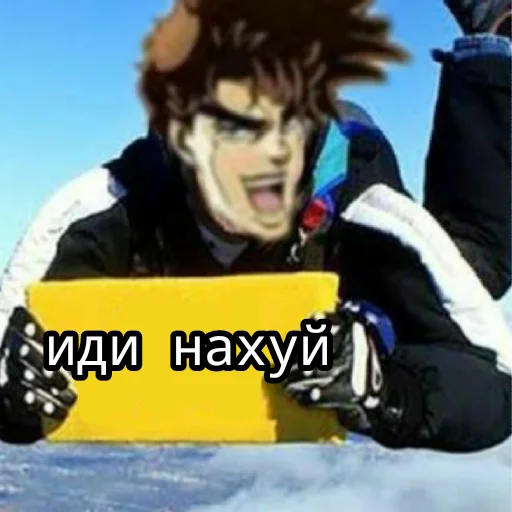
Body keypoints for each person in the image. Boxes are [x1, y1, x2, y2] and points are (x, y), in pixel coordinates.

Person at [0, 0, 510, 452]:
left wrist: (388, 390)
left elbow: (496, 374)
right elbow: (7, 332)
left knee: (473, 266)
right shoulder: (104, 208)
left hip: (337, 227)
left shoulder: (369, 211)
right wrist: (13, 396)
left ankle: (493, 34)